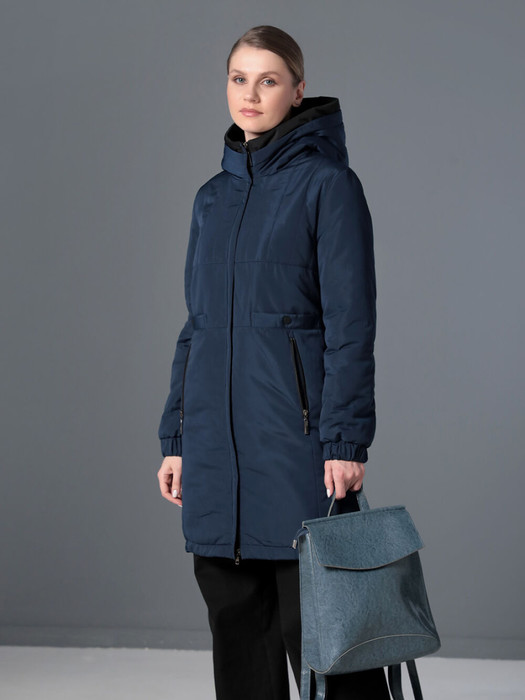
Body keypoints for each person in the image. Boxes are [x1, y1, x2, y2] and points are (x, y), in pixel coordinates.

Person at [157, 25, 390, 700]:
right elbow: (197, 326)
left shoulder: (329, 186)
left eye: (268, 80)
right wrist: (177, 436)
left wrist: (344, 439)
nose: (251, 94)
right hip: (215, 449)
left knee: (328, 642)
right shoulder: (211, 198)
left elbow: (351, 324)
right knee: (236, 630)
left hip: (296, 445)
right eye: (239, 79)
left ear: (297, 89)